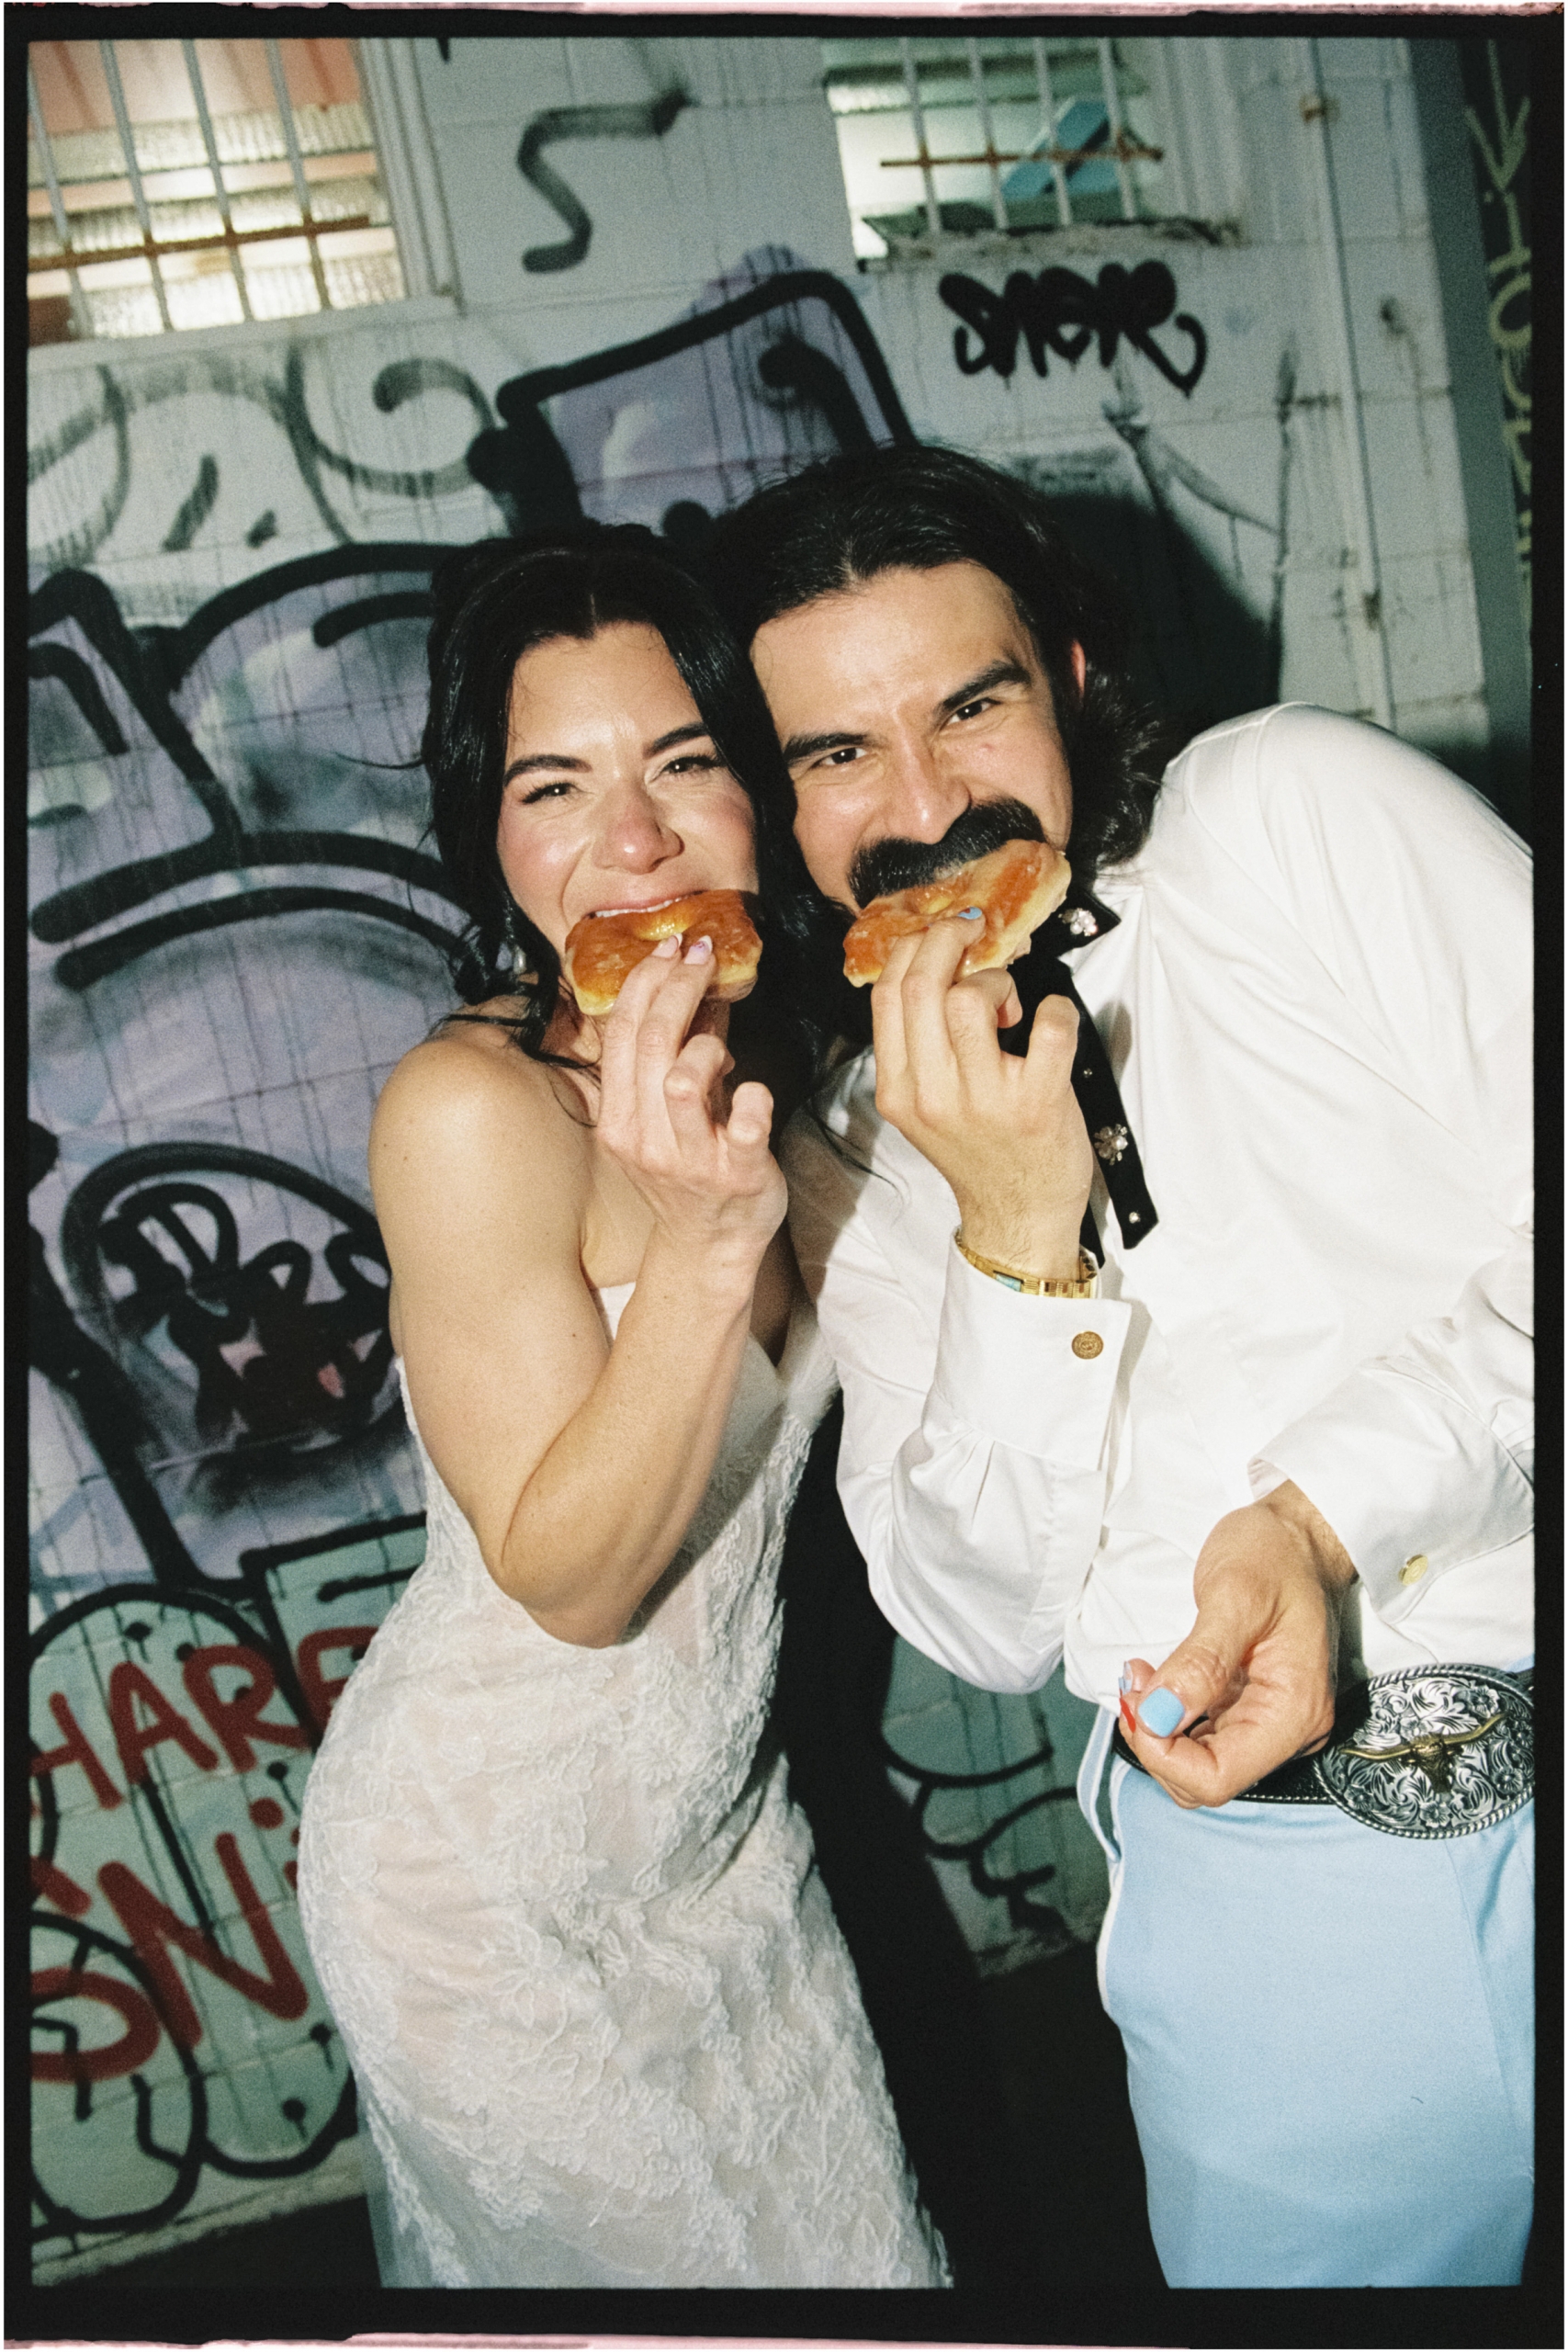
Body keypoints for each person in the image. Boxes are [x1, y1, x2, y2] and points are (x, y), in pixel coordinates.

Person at [705, 447, 1534, 2290]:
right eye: (836, 754)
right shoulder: (850, 1140)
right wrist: (1012, 1233)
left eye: (967, 707)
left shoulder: (1291, 809)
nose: (920, 801)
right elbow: (972, 1617)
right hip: (1287, 1914)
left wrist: (1318, 1512)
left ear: (1070, 680)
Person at [295, 526, 950, 2290]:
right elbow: (573, 1581)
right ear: (492, 847)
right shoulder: (473, 1109)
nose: (635, 841)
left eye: (683, 763)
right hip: (486, 1894)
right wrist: (707, 1243)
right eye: (553, 788)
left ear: (760, 786)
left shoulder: (817, 1070)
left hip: (727, 1843)